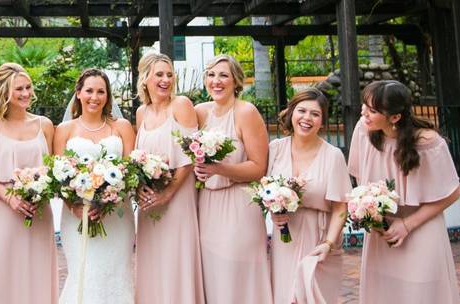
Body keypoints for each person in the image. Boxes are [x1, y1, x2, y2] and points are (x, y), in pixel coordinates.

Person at [348, 80, 460, 304]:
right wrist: (371, 214)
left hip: (421, 228)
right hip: (383, 232)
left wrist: (407, 224)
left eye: (372, 110)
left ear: (395, 117)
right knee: (383, 293)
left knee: (421, 294)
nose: (364, 114)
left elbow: (453, 192)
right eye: (364, 106)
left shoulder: (428, 141)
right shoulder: (363, 130)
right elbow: (361, 181)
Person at [193, 54, 272, 304]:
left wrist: (219, 169)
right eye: (212, 75)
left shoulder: (246, 112)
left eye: (224, 75)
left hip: (239, 205)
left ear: (236, 81)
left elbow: (259, 167)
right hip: (206, 206)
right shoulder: (199, 113)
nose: (216, 81)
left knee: (237, 277)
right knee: (212, 277)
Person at [0, 63, 58, 304]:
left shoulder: (45, 125)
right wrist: (10, 198)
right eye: (18, 89)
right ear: (4, 92)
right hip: (3, 209)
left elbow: (52, 167)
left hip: (39, 209)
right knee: (4, 268)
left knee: (37, 267)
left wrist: (42, 188)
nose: (25, 93)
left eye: (28, 87)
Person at [53, 68, 136, 304]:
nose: (95, 97)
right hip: (76, 216)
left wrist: (110, 200)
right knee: (83, 273)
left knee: (116, 274)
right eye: (89, 90)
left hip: (117, 216)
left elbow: (131, 173)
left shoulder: (122, 127)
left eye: (101, 92)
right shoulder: (64, 130)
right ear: (78, 93)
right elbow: (58, 176)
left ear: (108, 97)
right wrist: (74, 207)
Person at [267, 88, 350, 304]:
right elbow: (265, 189)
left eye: (315, 114)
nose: (307, 118)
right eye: (301, 111)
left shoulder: (333, 156)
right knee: (285, 297)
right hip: (285, 237)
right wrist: (273, 212)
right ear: (291, 113)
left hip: (319, 238)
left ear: (322, 122)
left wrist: (328, 243)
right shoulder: (275, 149)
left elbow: (341, 207)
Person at [133, 52, 204, 304]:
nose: (165, 80)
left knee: (176, 258)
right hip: (149, 202)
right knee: (152, 259)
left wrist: (168, 193)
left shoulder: (181, 105)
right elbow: (137, 159)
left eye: (169, 74)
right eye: (159, 75)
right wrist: (140, 187)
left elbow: (191, 156)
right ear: (145, 79)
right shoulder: (142, 113)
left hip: (177, 197)